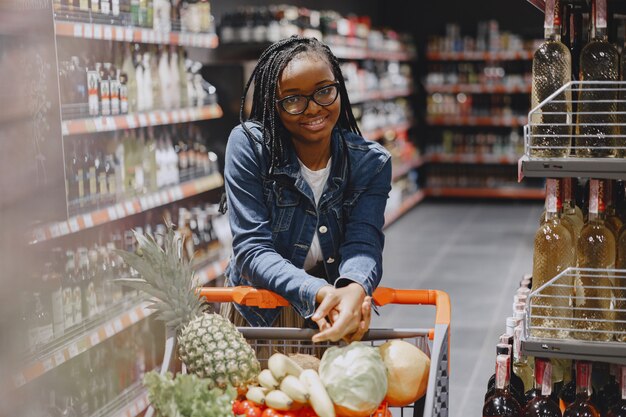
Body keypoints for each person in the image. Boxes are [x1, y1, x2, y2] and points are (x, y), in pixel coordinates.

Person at [221, 36, 392, 344]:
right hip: (262, 315)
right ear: (273, 105)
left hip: (331, 313)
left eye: (324, 91)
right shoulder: (250, 147)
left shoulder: (370, 162)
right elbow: (252, 249)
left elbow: (364, 242)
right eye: (294, 99)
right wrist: (318, 290)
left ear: (338, 86)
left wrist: (354, 287)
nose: (313, 109)